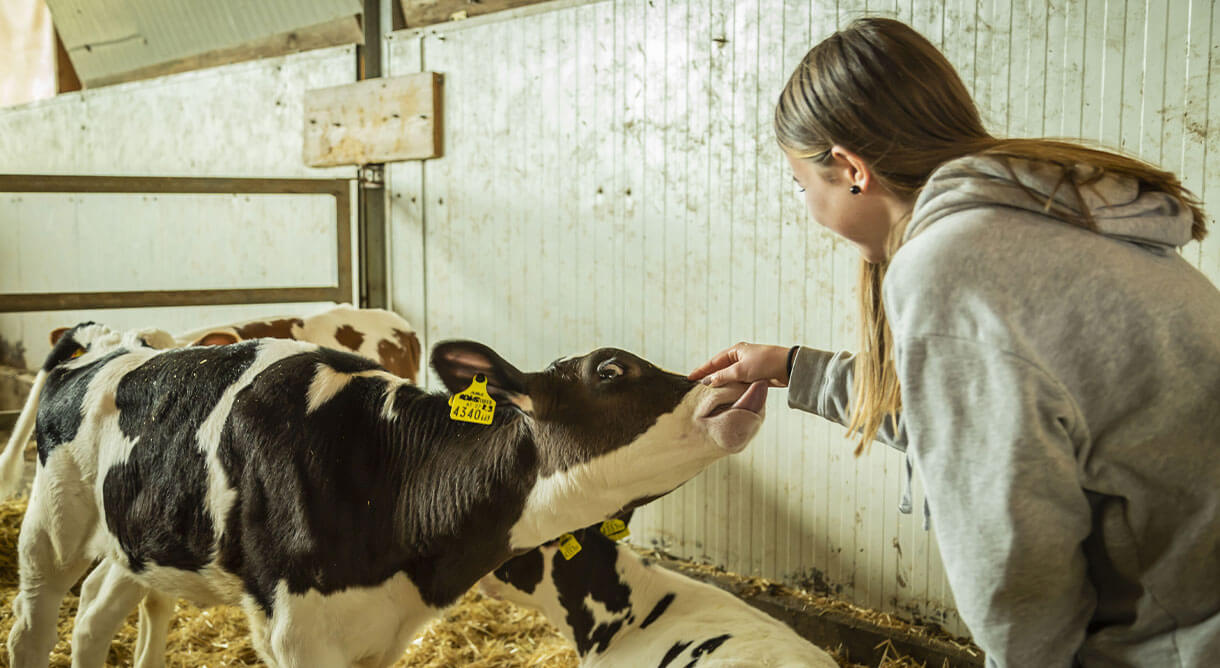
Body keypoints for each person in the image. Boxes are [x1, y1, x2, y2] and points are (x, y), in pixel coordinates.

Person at [689, 16, 1220, 668]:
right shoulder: (1043, 210)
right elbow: (972, 417)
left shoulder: (951, 263)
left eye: (803, 185)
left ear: (851, 169)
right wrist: (794, 368)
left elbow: (1015, 563)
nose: (808, 206)